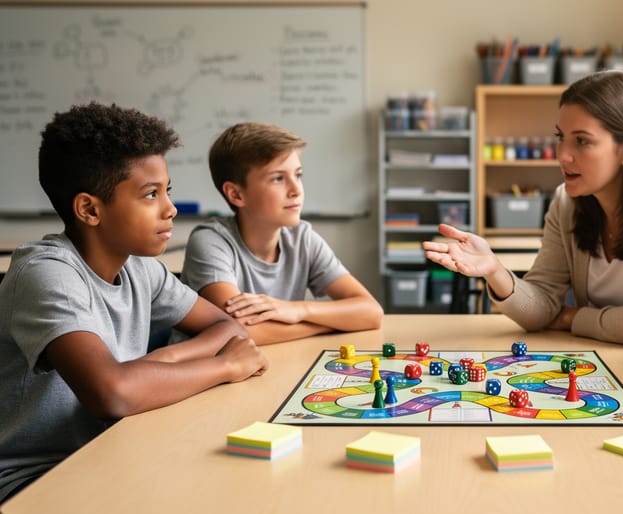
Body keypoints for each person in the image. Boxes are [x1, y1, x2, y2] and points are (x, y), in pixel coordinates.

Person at [0, 103, 269, 503]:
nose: (170, 208)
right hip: (35, 479)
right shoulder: (46, 274)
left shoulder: (141, 268)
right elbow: (112, 395)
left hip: (111, 451)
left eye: (167, 191)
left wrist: (149, 366)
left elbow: (228, 327)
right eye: (150, 194)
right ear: (90, 209)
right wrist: (226, 365)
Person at [423, 70, 623, 347]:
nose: (563, 155)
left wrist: (572, 318)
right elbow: (541, 309)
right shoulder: (567, 201)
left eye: (582, 141)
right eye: (560, 138)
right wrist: (493, 269)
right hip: (608, 363)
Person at [179, 122, 382, 345]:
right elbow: (239, 332)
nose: (296, 190)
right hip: (204, 374)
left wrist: (298, 309)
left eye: (298, 174)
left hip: (271, 362)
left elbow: (371, 311)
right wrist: (329, 323)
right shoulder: (210, 241)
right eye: (278, 178)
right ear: (236, 194)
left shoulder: (302, 238)